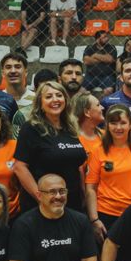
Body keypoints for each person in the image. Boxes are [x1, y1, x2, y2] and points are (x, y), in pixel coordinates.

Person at [13, 80, 87, 213]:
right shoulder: (31, 128)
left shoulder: (70, 127)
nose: (55, 100)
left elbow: (77, 165)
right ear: (40, 104)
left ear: (65, 100)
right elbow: (20, 167)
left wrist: (83, 194)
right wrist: (40, 198)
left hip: (72, 202)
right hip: (43, 205)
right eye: (48, 97)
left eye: (59, 95)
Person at [86, 104, 131, 241]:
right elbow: (90, 188)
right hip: (106, 213)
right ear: (107, 125)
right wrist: (94, 219)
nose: (118, 127)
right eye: (113, 123)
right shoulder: (97, 149)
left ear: (130, 124)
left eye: (123, 123)